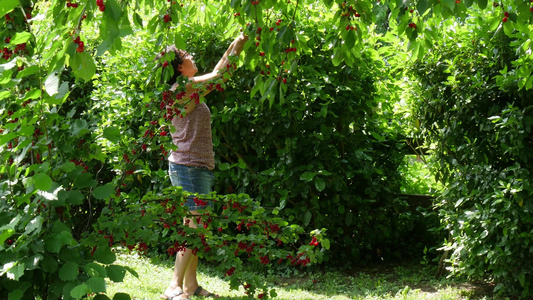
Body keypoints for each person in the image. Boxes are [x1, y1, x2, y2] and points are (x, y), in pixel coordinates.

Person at [160, 33, 249, 300]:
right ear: (178, 66)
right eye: (188, 56)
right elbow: (220, 76)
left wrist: (236, 42)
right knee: (194, 225)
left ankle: (191, 286)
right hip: (188, 167)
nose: (193, 57)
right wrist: (238, 45)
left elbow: (217, 72)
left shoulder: (188, 88)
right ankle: (174, 287)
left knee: (196, 224)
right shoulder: (183, 90)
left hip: (196, 167)